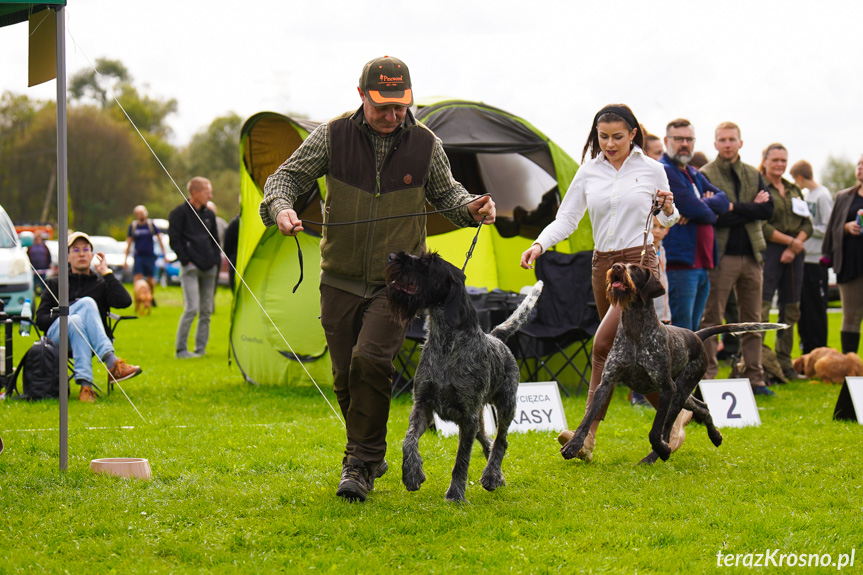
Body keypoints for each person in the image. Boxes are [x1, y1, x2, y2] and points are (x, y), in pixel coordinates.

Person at [259, 55, 496, 502]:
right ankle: (368, 450)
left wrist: (471, 208)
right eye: (382, 106)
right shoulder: (331, 135)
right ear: (362, 95)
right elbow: (285, 177)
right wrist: (281, 207)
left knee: (372, 360)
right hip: (340, 276)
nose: (391, 116)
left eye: (400, 107)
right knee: (346, 374)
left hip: (400, 285)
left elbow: (447, 194)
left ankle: (360, 465)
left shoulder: (426, 143)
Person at [520, 103, 684, 462]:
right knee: (622, 356)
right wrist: (539, 245)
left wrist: (668, 209)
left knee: (603, 345)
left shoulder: (652, 169)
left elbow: (669, 220)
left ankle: (587, 434)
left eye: (617, 137)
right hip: (603, 267)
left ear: (633, 135)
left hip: (639, 263)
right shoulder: (588, 172)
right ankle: (678, 411)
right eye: (602, 136)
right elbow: (567, 218)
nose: (609, 143)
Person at [699, 122, 775, 395]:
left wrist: (732, 207)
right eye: (722, 139)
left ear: (741, 143)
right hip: (721, 256)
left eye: (732, 139)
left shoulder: (754, 173)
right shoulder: (704, 174)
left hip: (753, 255)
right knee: (712, 320)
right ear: (715, 143)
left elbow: (768, 210)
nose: (728, 144)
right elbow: (712, 214)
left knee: (753, 319)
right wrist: (750, 208)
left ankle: (755, 378)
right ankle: (706, 379)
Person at [34, 232, 142, 402]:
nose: (82, 253)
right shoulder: (56, 282)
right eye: (76, 250)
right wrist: (66, 313)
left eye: (86, 249)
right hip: (58, 339)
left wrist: (106, 272)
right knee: (85, 305)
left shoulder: (101, 283)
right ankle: (112, 362)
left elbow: (125, 301)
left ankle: (86, 388)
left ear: (92, 256)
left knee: (77, 321)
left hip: (92, 340)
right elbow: (40, 319)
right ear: (68, 257)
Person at [659, 119, 729, 331]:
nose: (684, 144)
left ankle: (690, 366)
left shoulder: (694, 173)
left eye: (689, 139)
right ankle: (679, 367)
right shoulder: (665, 171)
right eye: (678, 139)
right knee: (682, 332)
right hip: (681, 265)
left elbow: (723, 201)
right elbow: (699, 211)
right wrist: (705, 209)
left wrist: (702, 205)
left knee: (694, 332)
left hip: (702, 263)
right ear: (666, 141)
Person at [759, 143, 812, 381]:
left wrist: (795, 245)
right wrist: (790, 242)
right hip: (769, 252)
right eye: (775, 160)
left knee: (791, 309)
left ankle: (785, 364)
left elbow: (807, 223)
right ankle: (761, 365)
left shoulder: (793, 189)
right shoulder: (760, 186)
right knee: (760, 309)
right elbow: (761, 223)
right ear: (765, 161)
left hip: (794, 255)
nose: (780, 164)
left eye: (783, 160)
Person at [169, 177, 221, 359]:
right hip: (190, 267)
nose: (211, 196)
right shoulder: (179, 213)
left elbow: (215, 240)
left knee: (206, 310)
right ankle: (181, 350)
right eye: (208, 192)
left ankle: (200, 349)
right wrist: (186, 260)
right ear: (195, 193)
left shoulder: (210, 214)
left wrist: (215, 260)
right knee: (192, 308)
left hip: (209, 268)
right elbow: (174, 240)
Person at [790, 159, 834, 353]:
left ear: (800, 177)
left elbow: (828, 227)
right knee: (804, 308)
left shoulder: (822, 195)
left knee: (816, 306)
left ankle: (819, 349)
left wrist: (806, 230)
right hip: (803, 258)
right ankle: (807, 348)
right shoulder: (806, 196)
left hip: (816, 260)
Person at [822, 154, 863, 354]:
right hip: (850, 264)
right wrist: (846, 228)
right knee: (851, 317)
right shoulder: (844, 196)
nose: (861, 168)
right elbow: (831, 228)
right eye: (859, 164)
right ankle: (850, 367)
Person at [124, 205, 166, 300]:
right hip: (138, 256)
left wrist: (164, 255)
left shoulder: (151, 225)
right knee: (138, 278)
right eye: (139, 213)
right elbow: (129, 243)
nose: (142, 215)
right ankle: (138, 298)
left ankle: (150, 297)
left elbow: (160, 239)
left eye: (143, 213)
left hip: (149, 256)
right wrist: (125, 260)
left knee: (150, 279)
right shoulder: (134, 226)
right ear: (136, 215)